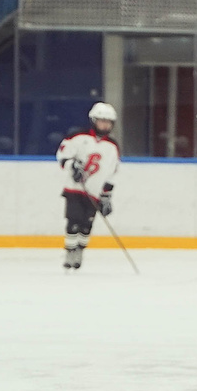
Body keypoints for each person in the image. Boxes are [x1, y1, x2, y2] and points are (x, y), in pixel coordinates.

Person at [56, 102, 120, 270]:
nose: (105, 125)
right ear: (93, 120)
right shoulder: (78, 137)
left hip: (94, 193)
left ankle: (80, 250)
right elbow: (62, 155)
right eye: (101, 121)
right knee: (73, 220)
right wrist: (72, 166)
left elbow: (112, 173)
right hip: (74, 189)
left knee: (86, 225)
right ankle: (70, 251)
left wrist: (106, 196)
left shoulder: (112, 147)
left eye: (108, 122)